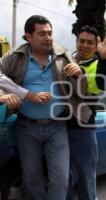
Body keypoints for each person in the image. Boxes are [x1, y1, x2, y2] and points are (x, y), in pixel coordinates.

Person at [0, 15, 92, 200]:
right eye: (42, 34)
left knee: (60, 179)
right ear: (28, 36)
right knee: (32, 179)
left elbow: (83, 92)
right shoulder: (15, 56)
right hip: (26, 127)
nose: (48, 38)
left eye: (50, 33)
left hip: (56, 127)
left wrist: (79, 75)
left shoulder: (63, 56)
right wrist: (14, 95)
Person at [66, 25, 106, 200]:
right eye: (82, 41)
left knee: (86, 176)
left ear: (96, 45)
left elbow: (102, 86)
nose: (85, 45)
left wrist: (104, 58)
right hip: (58, 128)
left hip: (83, 129)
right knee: (63, 177)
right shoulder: (65, 60)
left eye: (90, 42)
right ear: (76, 41)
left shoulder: (98, 65)